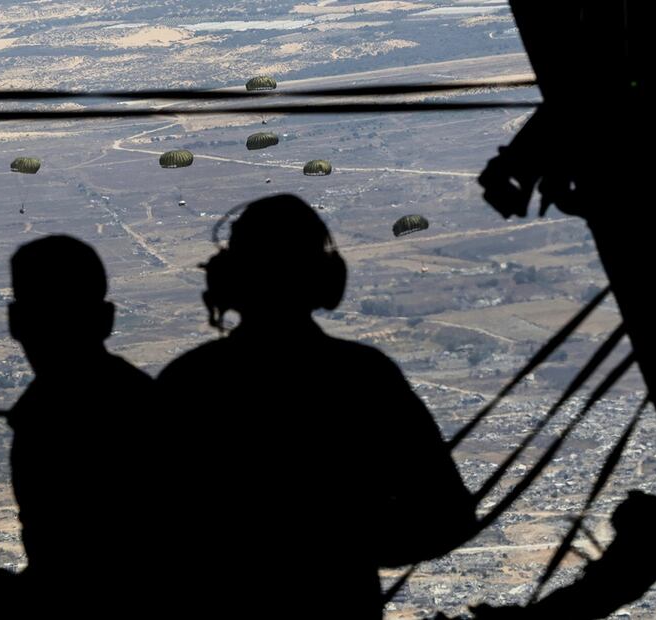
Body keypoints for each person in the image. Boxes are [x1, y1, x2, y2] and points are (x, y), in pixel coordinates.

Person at [156, 194, 477, 618]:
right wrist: (346, 545)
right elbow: (447, 516)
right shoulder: (366, 378)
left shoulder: (187, 383)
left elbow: (139, 531)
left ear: (228, 279)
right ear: (325, 279)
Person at [0, 235, 154, 617]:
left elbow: (72, 570)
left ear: (16, 322)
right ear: (106, 319)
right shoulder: (145, 402)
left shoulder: (47, 423)